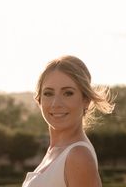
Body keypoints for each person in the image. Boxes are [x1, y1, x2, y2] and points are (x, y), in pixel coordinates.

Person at [22, 55, 115, 187]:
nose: (56, 103)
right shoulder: (55, 151)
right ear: (39, 101)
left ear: (85, 100)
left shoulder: (78, 156)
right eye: (48, 93)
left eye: (68, 93)